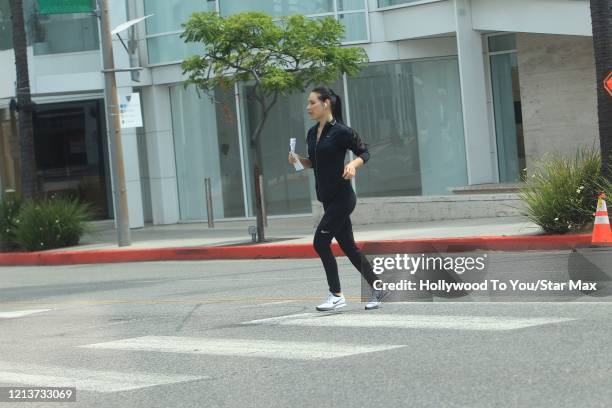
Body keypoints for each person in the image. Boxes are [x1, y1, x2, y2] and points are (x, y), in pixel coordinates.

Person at [288, 86, 389, 311]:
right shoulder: (312, 133)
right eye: (308, 103)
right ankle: (378, 287)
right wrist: (298, 160)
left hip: (343, 197)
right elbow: (314, 162)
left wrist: (353, 164)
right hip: (328, 199)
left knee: (320, 241)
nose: (308, 107)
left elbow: (365, 152)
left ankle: (336, 294)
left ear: (326, 103)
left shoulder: (342, 131)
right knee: (349, 247)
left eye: (312, 102)